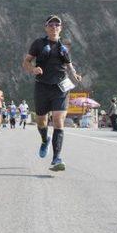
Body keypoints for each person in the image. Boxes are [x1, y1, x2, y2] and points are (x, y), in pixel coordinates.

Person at [22, 15, 82, 172]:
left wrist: (75, 75)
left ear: (61, 28)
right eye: (51, 24)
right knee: (41, 121)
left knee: (58, 120)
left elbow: (69, 66)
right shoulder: (38, 44)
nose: (54, 27)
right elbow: (26, 61)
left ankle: (56, 159)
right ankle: (44, 139)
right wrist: (33, 69)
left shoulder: (63, 47)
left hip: (60, 88)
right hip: (42, 86)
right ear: (46, 27)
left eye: (57, 24)